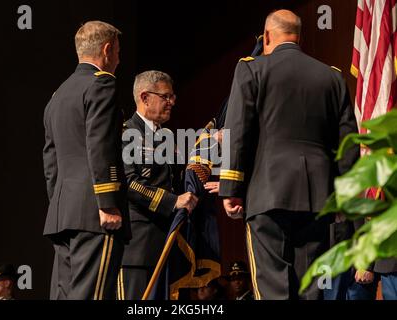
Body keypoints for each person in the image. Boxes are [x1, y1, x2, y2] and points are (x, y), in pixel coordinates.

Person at [218, 9, 359, 299]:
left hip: (267, 194)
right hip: (319, 199)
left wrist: (230, 187)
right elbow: (348, 146)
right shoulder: (331, 77)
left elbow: (237, 130)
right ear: (299, 37)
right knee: (310, 290)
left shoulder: (251, 68)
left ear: (267, 36)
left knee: (271, 289)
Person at [43, 21, 129, 300]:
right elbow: (100, 145)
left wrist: (61, 204)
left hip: (63, 214)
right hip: (95, 213)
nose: (118, 59)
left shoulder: (57, 95)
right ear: (106, 50)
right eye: (117, 52)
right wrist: (107, 202)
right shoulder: (102, 83)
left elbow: (51, 160)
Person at [117, 70, 198, 300]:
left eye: (173, 97)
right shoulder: (126, 133)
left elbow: (175, 181)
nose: (172, 102)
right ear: (145, 97)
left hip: (167, 243)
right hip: (137, 248)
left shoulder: (166, 136)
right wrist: (173, 201)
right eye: (166, 97)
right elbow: (129, 183)